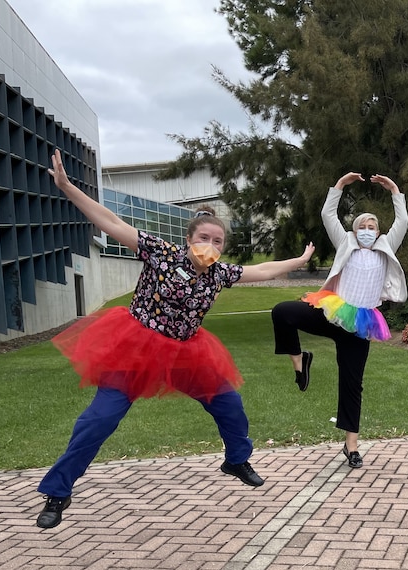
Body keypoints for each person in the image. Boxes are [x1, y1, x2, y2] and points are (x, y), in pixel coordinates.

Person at [36, 149, 316, 529]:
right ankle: (58, 491)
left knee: (229, 404)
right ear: (189, 238)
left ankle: (236, 459)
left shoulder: (219, 275)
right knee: (99, 421)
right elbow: (110, 222)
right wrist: (68, 188)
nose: (211, 246)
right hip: (136, 348)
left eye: (218, 242)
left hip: (188, 352)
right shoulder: (161, 254)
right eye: (204, 238)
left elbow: (264, 270)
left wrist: (298, 262)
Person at [271, 172, 407, 469]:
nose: (368, 229)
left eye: (373, 226)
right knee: (282, 312)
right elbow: (327, 214)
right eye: (363, 226)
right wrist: (341, 185)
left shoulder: (386, 248)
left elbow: (403, 223)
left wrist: (395, 191)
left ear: (379, 232)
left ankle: (352, 445)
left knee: (352, 384)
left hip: (361, 325)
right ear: (355, 230)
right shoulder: (346, 242)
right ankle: (299, 361)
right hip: (332, 312)